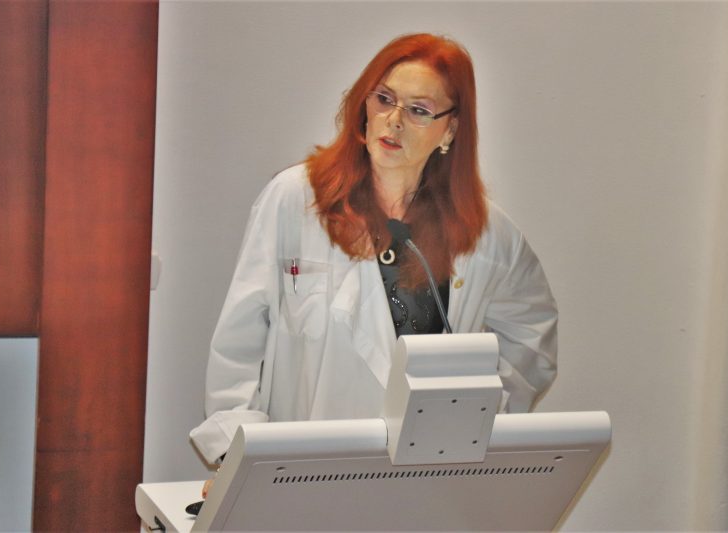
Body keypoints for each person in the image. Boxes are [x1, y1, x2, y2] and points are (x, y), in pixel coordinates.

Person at [190, 33, 557, 496]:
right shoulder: (296, 200)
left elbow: (532, 334)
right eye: (384, 99)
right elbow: (239, 341)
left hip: (424, 483)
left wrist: (475, 417)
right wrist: (238, 457)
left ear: (450, 130)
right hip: (299, 476)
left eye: (419, 110)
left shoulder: (486, 234)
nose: (394, 120)